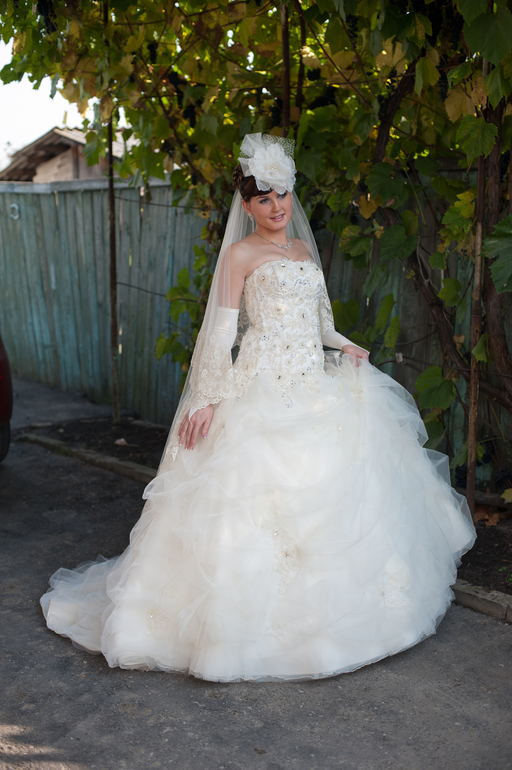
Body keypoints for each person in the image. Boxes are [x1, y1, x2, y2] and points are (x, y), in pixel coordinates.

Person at [41, 133, 476, 682]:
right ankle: (234, 635)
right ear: (246, 206)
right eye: (264, 199)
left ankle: (346, 621)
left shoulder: (304, 252)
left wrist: (346, 345)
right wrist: (206, 399)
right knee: (246, 500)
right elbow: (222, 336)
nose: (276, 207)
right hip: (259, 387)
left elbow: (319, 324)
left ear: (292, 194)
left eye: (282, 195)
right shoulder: (239, 256)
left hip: (313, 386)